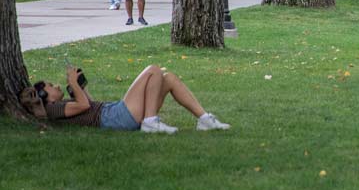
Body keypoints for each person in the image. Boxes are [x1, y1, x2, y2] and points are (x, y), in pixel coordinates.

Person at [31, 64, 230, 133]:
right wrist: (73, 84)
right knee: (153, 70)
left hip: (113, 113)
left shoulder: (61, 105)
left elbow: (87, 105)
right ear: (45, 97)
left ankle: (204, 119)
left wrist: (79, 88)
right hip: (114, 118)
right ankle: (150, 122)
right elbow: (84, 107)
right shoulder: (53, 110)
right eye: (50, 86)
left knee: (167, 78)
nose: (56, 86)